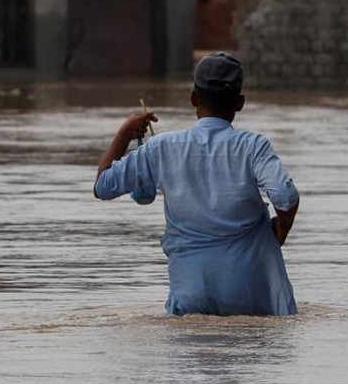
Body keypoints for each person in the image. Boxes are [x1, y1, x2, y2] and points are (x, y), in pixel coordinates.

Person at [92, 52, 300, 316]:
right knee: (254, 354)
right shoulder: (253, 146)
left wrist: (124, 133)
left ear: (193, 98)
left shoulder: (162, 147)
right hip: (253, 290)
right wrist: (282, 226)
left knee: (191, 353)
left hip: (192, 292)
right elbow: (285, 195)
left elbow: (103, 186)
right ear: (240, 103)